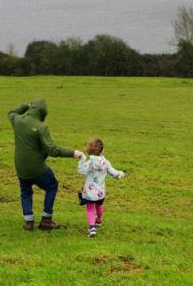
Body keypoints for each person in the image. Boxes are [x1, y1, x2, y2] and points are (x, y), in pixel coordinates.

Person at [8, 98, 83, 231]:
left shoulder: (18, 121)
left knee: (25, 192)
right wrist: (73, 153)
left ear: (31, 109)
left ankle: (29, 222)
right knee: (52, 185)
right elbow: (52, 150)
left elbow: (12, 112)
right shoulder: (41, 127)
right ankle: (46, 220)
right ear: (42, 113)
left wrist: (26, 105)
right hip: (37, 168)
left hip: (21, 168)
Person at [77, 137, 125, 237]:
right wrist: (120, 174)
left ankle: (92, 227)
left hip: (90, 192)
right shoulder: (105, 162)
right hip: (100, 192)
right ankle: (98, 220)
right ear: (102, 150)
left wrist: (82, 159)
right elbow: (113, 172)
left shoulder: (90, 162)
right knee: (99, 205)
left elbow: (82, 171)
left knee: (90, 209)